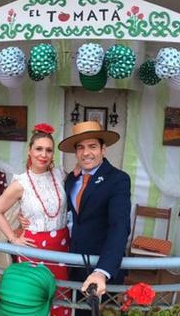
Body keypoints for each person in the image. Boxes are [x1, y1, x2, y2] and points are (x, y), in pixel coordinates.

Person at [0, 123, 71, 316]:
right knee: (34, 300)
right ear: (30, 151)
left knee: (60, 298)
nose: (43, 154)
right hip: (33, 249)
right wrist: (13, 237)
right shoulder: (21, 183)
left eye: (49, 150)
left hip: (61, 246)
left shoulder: (60, 174)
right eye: (39, 149)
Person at [57, 121, 131, 316]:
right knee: (79, 313)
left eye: (92, 146)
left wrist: (102, 271)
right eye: (80, 147)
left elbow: (119, 226)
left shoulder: (118, 179)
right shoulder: (72, 179)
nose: (86, 153)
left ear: (103, 149)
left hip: (103, 269)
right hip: (75, 263)